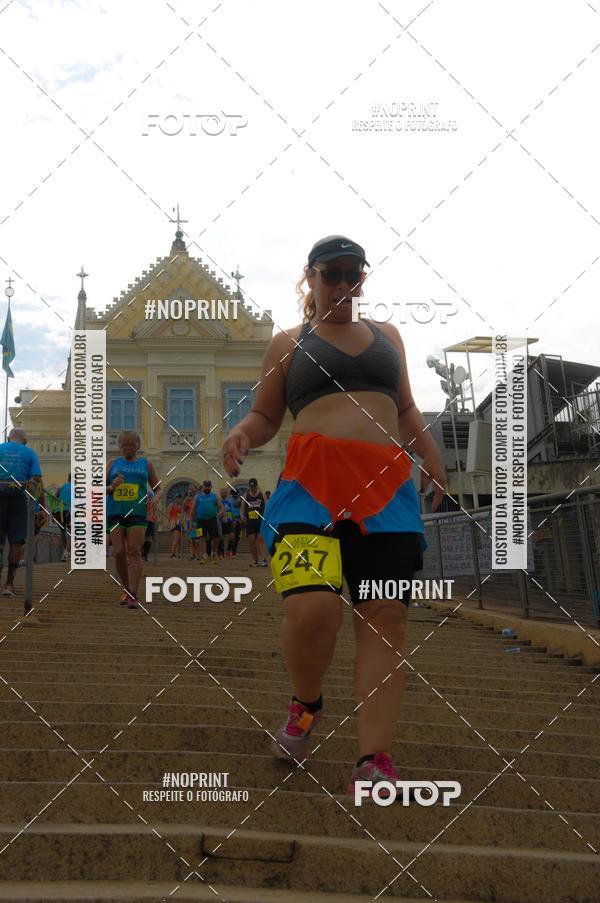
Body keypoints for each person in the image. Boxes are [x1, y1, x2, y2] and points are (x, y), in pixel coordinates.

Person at [221, 234, 446, 796]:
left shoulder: (388, 337)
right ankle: (306, 703)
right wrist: (242, 434)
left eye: (355, 274)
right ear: (311, 278)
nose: (345, 284)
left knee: (385, 618)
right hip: (309, 486)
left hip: (386, 490)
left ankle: (374, 758)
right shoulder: (288, 343)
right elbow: (266, 414)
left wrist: (433, 455)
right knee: (312, 607)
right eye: (333, 273)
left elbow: (407, 406)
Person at [106, 430, 159, 608]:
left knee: (134, 550)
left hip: (137, 512)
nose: (129, 447)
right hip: (115, 512)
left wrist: (155, 497)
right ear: (120, 446)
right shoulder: (112, 463)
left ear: (138, 446)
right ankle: (126, 588)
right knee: (119, 552)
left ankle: (133, 593)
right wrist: (112, 486)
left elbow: (157, 487)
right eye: (125, 444)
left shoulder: (146, 464)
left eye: (132, 444)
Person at [0, 428, 42, 598]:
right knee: (17, 542)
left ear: (9, 438)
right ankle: (9, 584)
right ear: (24, 440)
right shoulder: (29, 452)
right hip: (19, 497)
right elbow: (36, 479)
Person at [194, 480, 224, 564]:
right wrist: (192, 521)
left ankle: (213, 554)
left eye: (208, 486)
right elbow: (193, 509)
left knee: (216, 538)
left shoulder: (215, 496)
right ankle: (204, 556)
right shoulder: (197, 497)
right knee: (201, 538)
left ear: (211, 487)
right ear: (203, 487)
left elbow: (222, 507)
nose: (207, 487)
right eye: (205, 486)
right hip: (200, 520)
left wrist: (220, 513)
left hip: (212, 519)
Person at [240, 478, 268, 567]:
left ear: (257, 485)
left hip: (260, 521)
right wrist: (242, 516)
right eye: (251, 487)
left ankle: (264, 560)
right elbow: (242, 508)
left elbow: (267, 506)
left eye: (254, 487)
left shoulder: (262, 495)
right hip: (250, 521)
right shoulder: (246, 496)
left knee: (261, 539)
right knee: (251, 541)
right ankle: (255, 560)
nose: (253, 488)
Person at [55, 473, 72, 562]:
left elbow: (54, 497)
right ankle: (67, 552)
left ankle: (66, 551)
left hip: (59, 511)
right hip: (70, 510)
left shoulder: (61, 487)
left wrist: (53, 511)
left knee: (63, 531)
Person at [142, 488, 160, 562]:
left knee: (145, 538)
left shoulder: (143, 501)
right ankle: (144, 555)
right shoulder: (153, 502)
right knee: (147, 538)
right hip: (149, 520)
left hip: (145, 520)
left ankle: (143, 555)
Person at [217, 487, 235, 558]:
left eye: (225, 493)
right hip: (221, 521)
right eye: (223, 493)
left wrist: (233, 519)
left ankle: (228, 550)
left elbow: (230, 511)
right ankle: (220, 553)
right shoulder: (219, 502)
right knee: (221, 538)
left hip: (229, 521)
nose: (224, 494)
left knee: (232, 535)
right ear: (220, 493)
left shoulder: (229, 502)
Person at [229, 488, 242, 556]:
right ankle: (231, 551)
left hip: (239, 519)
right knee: (234, 536)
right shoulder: (232, 501)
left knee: (238, 536)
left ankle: (233, 551)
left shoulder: (238, 500)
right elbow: (237, 504)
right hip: (234, 519)